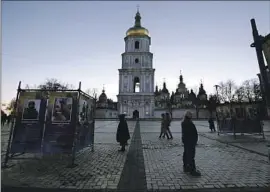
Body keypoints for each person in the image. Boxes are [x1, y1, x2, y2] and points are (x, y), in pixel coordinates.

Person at [181, 111, 201, 176]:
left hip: (186, 141)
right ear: (189, 116)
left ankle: (186, 167)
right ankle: (192, 170)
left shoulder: (184, 122)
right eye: (191, 115)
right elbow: (192, 133)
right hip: (190, 141)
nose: (192, 116)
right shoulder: (189, 123)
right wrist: (194, 141)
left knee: (186, 154)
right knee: (191, 156)